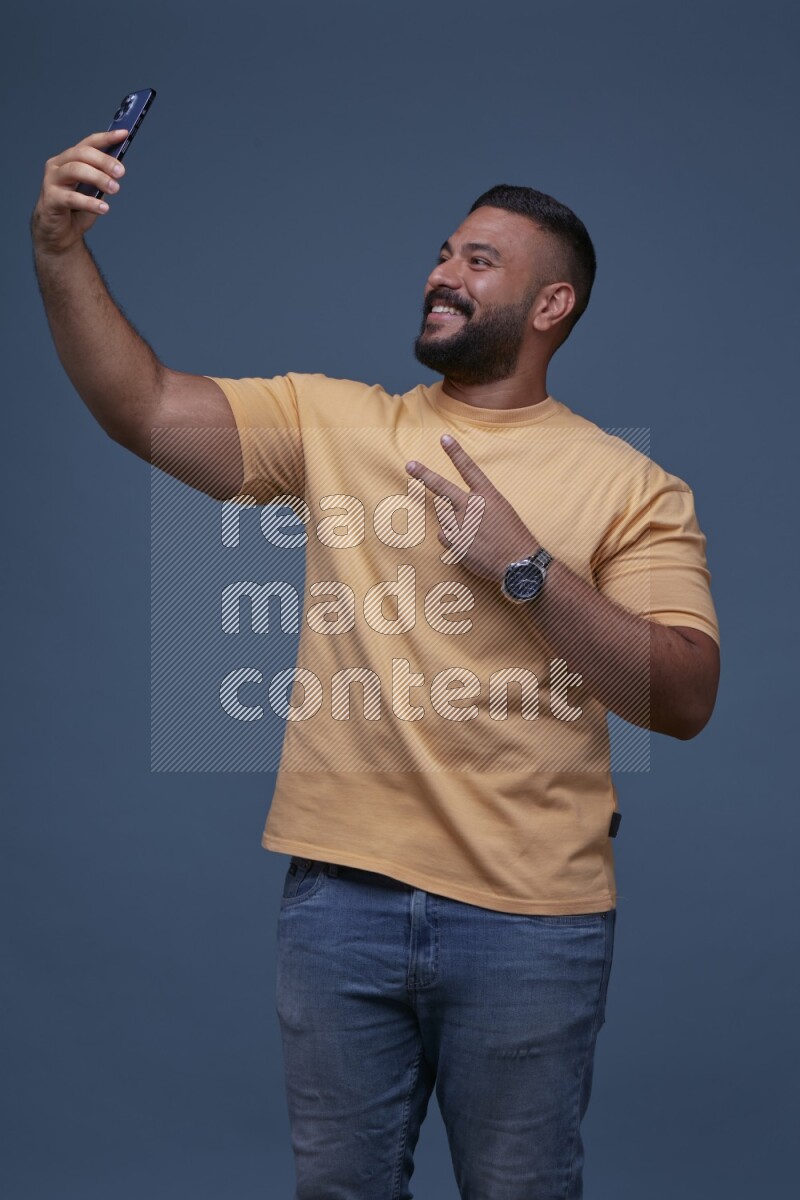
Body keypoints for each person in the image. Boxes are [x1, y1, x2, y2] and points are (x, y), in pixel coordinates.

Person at [32, 127, 720, 1200]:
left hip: (529, 921)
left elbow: (682, 697)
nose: (442, 273)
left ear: (552, 307)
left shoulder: (633, 486)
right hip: (336, 909)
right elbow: (147, 408)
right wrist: (59, 254)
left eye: (479, 261)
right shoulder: (335, 423)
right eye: (444, 251)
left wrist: (524, 568)